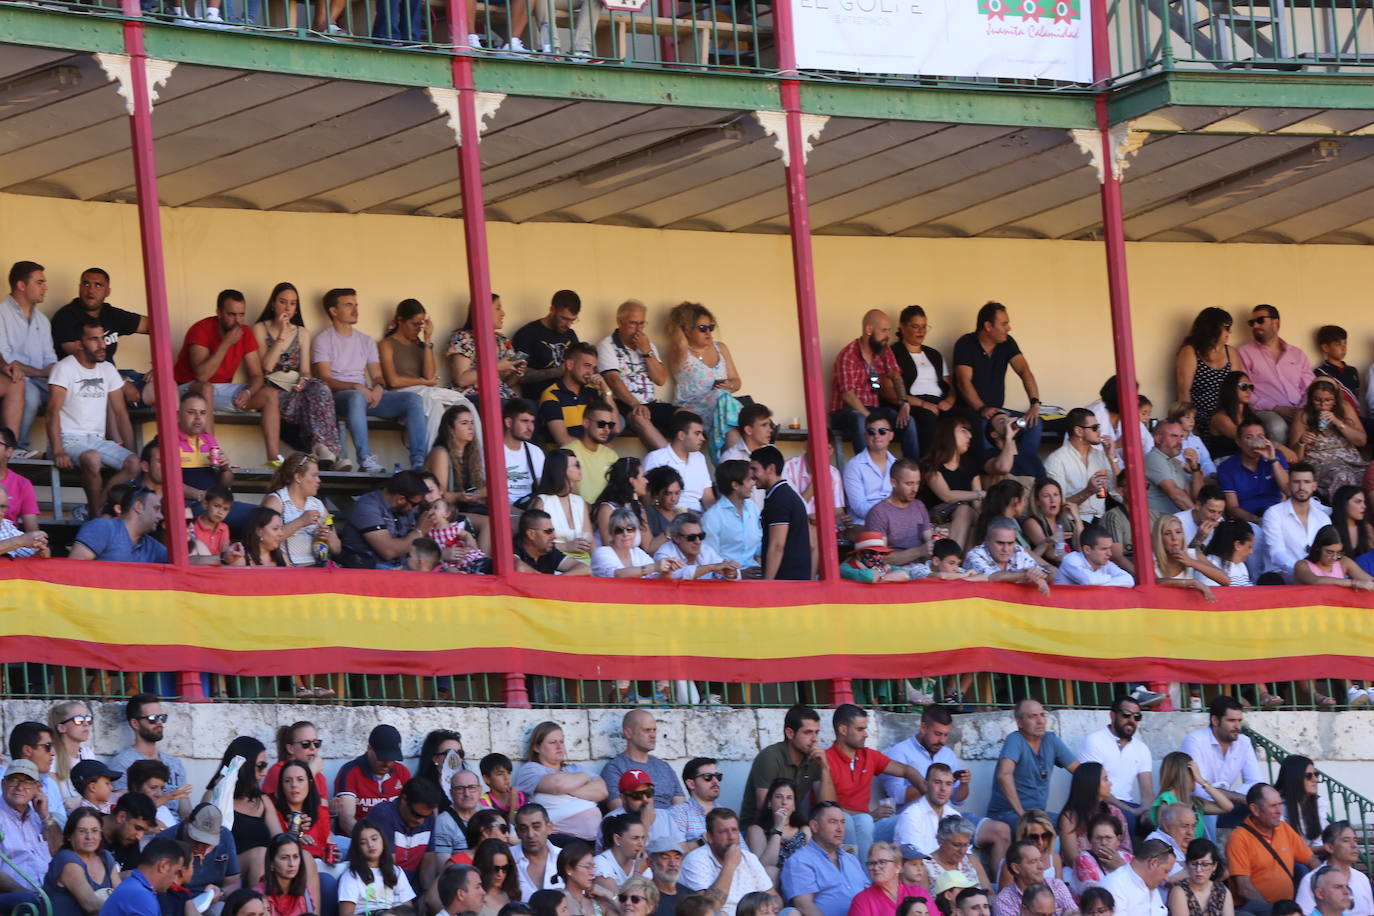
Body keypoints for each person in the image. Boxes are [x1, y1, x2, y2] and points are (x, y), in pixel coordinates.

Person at [312, 287, 426, 473]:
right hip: (338, 397)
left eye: (356, 305)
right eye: (349, 305)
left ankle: (418, 463)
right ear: (333, 311)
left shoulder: (366, 340)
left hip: (364, 395)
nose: (355, 309)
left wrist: (379, 387)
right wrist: (356, 386)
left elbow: (377, 375)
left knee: (413, 401)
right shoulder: (323, 339)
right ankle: (365, 459)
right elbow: (324, 378)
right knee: (356, 396)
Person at [173, 289, 283, 461]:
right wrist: (226, 343)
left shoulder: (245, 332)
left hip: (219, 391)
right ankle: (211, 453)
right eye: (231, 314)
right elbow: (201, 375)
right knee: (206, 387)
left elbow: (256, 375)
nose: (237, 321)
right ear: (219, 312)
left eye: (241, 315)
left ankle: (274, 459)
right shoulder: (201, 329)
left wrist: (248, 392)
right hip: (187, 389)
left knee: (270, 394)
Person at [46, 318, 140, 516]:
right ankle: (97, 516)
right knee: (93, 458)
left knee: (135, 463)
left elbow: (121, 413)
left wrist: (131, 451)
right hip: (69, 439)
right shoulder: (64, 368)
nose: (102, 345)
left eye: (103, 339)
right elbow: (52, 412)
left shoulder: (107, 369)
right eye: (94, 339)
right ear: (79, 344)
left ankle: (94, 508)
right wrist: (57, 450)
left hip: (97, 440)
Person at [251, 281, 343, 468]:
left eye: (293, 303)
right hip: (273, 387)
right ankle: (328, 453)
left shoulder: (302, 332)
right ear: (273, 304)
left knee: (321, 389)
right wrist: (282, 334)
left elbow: (306, 370)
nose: (288, 307)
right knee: (306, 402)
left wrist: (303, 380)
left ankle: (323, 447)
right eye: (283, 302)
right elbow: (266, 367)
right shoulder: (260, 328)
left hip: (296, 384)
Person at [819, 704, 925, 862]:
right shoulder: (825, 759)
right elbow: (828, 807)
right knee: (851, 820)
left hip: (868, 826)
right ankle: (863, 879)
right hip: (843, 826)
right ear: (843, 730)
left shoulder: (869, 756)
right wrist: (870, 815)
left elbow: (907, 770)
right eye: (860, 729)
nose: (866, 734)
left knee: (909, 820)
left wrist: (928, 791)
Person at [952, 302, 1045, 478]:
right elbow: (964, 382)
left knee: (1035, 423)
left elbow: (1025, 371)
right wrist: (982, 408)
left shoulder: (1007, 343)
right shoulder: (966, 343)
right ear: (988, 326)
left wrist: (1034, 403)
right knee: (982, 426)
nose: (1009, 328)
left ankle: (1023, 469)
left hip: (998, 412)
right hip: (973, 411)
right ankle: (995, 474)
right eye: (1004, 324)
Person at [380, 298, 477, 456]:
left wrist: (427, 340)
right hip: (403, 394)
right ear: (400, 321)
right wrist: (424, 382)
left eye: (421, 324)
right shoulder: (387, 344)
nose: (418, 329)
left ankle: (476, 458)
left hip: (424, 391)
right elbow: (393, 381)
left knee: (464, 403)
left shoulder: (421, 345)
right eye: (415, 324)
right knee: (435, 405)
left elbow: (429, 376)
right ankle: (435, 457)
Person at [50, 267, 148, 408]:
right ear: (79, 287)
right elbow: (86, 359)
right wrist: (121, 382)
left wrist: (159, 365)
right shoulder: (66, 316)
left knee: (162, 386)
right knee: (112, 398)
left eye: (98, 285)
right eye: (86, 284)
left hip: (114, 375)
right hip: (82, 381)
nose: (90, 290)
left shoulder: (111, 314)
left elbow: (154, 325)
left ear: (107, 291)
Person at [831, 310, 919, 459]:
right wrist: (871, 419)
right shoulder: (849, 354)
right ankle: (868, 470)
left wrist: (904, 403)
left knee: (908, 420)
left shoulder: (884, 350)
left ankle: (912, 474)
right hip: (845, 411)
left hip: (872, 410)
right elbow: (848, 395)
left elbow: (896, 376)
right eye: (884, 330)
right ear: (869, 330)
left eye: (889, 331)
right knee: (860, 419)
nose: (888, 336)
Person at [667, 302, 743, 462]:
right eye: (702, 328)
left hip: (721, 409)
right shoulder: (679, 352)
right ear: (686, 330)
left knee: (723, 404)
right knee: (724, 403)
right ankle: (750, 426)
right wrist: (677, 323)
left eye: (711, 327)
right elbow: (680, 342)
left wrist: (730, 385)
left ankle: (730, 464)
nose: (708, 333)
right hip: (692, 409)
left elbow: (737, 382)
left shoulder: (720, 348)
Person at [985, 699, 1077, 829]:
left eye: (1042, 715)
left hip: (1038, 815)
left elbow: (1080, 771)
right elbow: (1004, 775)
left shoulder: (1050, 739)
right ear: (1019, 722)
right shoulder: (1015, 739)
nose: (1040, 721)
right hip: (1006, 814)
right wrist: (1022, 815)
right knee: (1036, 828)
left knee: (1070, 823)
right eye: (1032, 716)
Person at [1226, 784, 1316, 914]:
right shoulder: (1239, 838)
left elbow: (1312, 861)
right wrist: (1273, 912)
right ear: (1255, 810)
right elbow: (1244, 888)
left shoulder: (1284, 829)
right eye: (1273, 806)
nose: (1280, 811)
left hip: (1287, 909)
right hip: (1256, 910)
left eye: (1280, 804)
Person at [597, 299, 671, 451]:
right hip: (625, 405)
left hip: (650, 403)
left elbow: (661, 379)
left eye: (642, 324)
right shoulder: (606, 345)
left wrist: (646, 352)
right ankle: (670, 462)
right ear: (620, 322)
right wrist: (635, 404)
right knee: (639, 417)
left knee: (686, 416)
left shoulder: (647, 345)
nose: (638, 329)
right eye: (633, 323)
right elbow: (613, 381)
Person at [1180, 697, 1264, 831]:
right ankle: (1211, 851)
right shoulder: (1195, 740)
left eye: (1239, 721)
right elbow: (1199, 790)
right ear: (1215, 720)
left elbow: (1257, 783)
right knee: (1206, 808)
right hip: (1199, 806)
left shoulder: (1244, 742)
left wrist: (1236, 797)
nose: (1237, 726)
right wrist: (1241, 798)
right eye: (1231, 721)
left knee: (1264, 805)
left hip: (1228, 805)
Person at [514, 723, 607, 842]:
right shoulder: (530, 770)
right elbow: (557, 785)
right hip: (560, 838)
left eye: (561, 741)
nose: (559, 747)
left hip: (594, 839)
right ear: (536, 747)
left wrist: (567, 789)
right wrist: (584, 778)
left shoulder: (574, 768)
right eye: (552, 742)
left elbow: (602, 791)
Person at [0, 261, 56, 454]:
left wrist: (53, 371)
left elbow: (50, 358)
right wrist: (40, 371)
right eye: (39, 282)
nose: (45, 287)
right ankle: (17, 449)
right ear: (21, 286)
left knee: (70, 394)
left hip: (40, 380)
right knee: (29, 394)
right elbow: (6, 361)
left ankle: (59, 451)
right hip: (14, 380)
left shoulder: (42, 320)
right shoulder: (1, 313)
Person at [1237, 305, 1313, 446]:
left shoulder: (1297, 354)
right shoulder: (1244, 353)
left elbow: (1309, 387)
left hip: (1299, 410)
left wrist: (1301, 411)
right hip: (1265, 411)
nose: (1255, 325)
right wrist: (1275, 408)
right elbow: (1242, 389)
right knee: (1277, 427)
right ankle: (1279, 465)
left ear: (1276, 322)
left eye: (1260, 320)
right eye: (1251, 323)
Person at [1077, 697, 1155, 835]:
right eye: (1126, 715)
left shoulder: (1142, 748)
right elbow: (1094, 787)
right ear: (1112, 715)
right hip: (1099, 804)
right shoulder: (1095, 740)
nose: (1131, 720)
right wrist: (1130, 811)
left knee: (1160, 821)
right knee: (1127, 818)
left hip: (1128, 805)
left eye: (1137, 717)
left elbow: (1147, 792)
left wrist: (1147, 811)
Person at [109, 695, 192, 822]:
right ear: (135, 723)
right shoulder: (122, 763)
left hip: (176, 831)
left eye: (162, 717)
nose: (159, 723)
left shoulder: (174, 763)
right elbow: (127, 809)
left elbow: (185, 810)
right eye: (153, 718)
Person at [888, 305, 955, 461]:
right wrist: (924, 404)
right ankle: (928, 469)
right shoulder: (893, 353)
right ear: (902, 327)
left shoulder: (934, 354)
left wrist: (949, 401)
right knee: (927, 417)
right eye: (915, 326)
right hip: (913, 402)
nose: (921, 331)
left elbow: (950, 386)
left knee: (967, 416)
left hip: (939, 402)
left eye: (924, 327)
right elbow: (890, 392)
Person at [779, 802, 868, 916]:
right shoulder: (800, 861)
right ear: (814, 826)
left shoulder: (851, 859)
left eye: (842, 822)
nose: (840, 829)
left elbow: (869, 895)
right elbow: (804, 906)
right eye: (833, 822)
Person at [741, 705, 824, 826]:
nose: (814, 739)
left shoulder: (814, 758)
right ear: (790, 733)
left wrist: (825, 768)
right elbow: (766, 810)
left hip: (791, 827)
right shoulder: (769, 757)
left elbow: (826, 807)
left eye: (816, 732)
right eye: (808, 732)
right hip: (758, 829)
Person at [337, 469, 434, 569]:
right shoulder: (367, 506)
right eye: (415, 504)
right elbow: (388, 551)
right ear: (401, 499)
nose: (416, 509)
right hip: (367, 573)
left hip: (398, 570)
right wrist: (419, 532)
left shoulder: (404, 508)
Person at [919, 415, 987, 550]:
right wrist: (981, 494)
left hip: (964, 517)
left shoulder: (970, 464)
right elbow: (947, 496)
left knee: (969, 517)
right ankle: (954, 562)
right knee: (966, 520)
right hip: (938, 520)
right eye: (964, 430)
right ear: (948, 434)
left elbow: (977, 506)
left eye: (970, 431)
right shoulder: (930, 464)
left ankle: (952, 562)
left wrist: (983, 521)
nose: (970, 436)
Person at [262, 453, 340, 568]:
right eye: (314, 476)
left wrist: (328, 536)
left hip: (317, 569)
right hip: (286, 570)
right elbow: (263, 540)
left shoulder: (318, 504)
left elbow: (337, 549)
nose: (319, 480)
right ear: (298, 477)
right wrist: (300, 522)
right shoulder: (276, 501)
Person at [1288, 379, 1366, 494]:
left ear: (1335, 400)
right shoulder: (1304, 415)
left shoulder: (1344, 407)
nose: (1322, 404)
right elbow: (1294, 459)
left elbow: (1361, 441)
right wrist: (1301, 442)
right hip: (1322, 464)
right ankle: (1345, 511)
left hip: (1351, 461)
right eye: (1317, 400)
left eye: (1328, 400)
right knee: (1342, 476)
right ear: (1311, 399)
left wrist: (1338, 422)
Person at [156, 802, 241, 907]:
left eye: (207, 843)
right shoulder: (164, 841)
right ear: (186, 823)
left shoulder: (225, 837)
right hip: (173, 901)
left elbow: (234, 882)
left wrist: (220, 893)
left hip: (212, 901)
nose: (201, 847)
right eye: (196, 839)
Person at [601, 709, 686, 814]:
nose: (653, 735)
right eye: (647, 730)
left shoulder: (664, 767)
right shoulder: (615, 769)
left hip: (672, 825)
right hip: (639, 827)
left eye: (654, 730)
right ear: (628, 733)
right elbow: (619, 814)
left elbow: (681, 808)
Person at [334, 724, 412, 836]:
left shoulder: (402, 772)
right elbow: (347, 821)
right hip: (358, 841)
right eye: (382, 757)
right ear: (369, 749)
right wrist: (372, 842)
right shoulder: (350, 772)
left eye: (392, 758)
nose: (387, 764)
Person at [1057, 763, 1132, 879]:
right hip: (1083, 874)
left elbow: (1126, 849)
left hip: (1116, 871)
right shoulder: (1069, 818)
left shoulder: (1115, 812)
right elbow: (1071, 858)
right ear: (1091, 784)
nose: (1110, 783)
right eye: (1105, 779)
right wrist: (1100, 866)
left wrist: (1117, 864)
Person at [1259, 462, 1331, 582]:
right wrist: (1304, 573)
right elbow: (1276, 554)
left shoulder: (1323, 518)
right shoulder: (1273, 514)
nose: (1302, 487)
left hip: (1315, 581)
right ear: (1289, 485)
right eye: (1296, 482)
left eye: (1307, 482)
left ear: (1314, 486)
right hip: (1282, 582)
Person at [0, 759, 57, 911]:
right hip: (14, 896)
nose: (19, 787)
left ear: (37, 789)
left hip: (47, 893)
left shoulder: (38, 817)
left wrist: (46, 816)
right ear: (3, 783)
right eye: (14, 780)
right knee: (29, 902)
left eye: (27, 782)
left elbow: (59, 853)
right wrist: (28, 893)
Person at [1045, 407, 1119, 524]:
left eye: (1098, 427)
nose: (1099, 432)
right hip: (1072, 521)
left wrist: (1112, 458)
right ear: (1078, 431)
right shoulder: (1057, 460)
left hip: (1100, 520)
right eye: (1095, 428)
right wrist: (1088, 491)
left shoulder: (1101, 456)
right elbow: (1056, 504)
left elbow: (1119, 493)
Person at [366, 776, 442, 889]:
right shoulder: (383, 816)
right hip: (382, 889)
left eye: (425, 816)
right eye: (416, 814)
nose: (421, 821)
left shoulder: (428, 818)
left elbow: (428, 860)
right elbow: (387, 867)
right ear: (404, 800)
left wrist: (427, 896)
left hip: (410, 888)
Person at [448, 292, 524, 401]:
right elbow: (461, 380)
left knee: (529, 408)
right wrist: (496, 367)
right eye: (498, 309)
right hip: (473, 396)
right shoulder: (464, 338)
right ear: (483, 311)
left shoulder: (502, 340)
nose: (503, 313)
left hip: (501, 395)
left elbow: (506, 382)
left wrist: (516, 372)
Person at [1176, 308, 1237, 443]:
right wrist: (1190, 424)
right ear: (1212, 328)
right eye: (1226, 327)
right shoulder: (1190, 351)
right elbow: (1183, 392)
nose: (1230, 331)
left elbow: (1237, 386)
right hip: (1200, 415)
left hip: (1227, 412)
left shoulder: (1230, 352)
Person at [539, 342, 616, 447]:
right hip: (569, 459)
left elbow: (616, 428)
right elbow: (564, 441)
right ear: (570, 365)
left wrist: (606, 391)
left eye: (594, 368)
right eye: (587, 366)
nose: (591, 372)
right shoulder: (552, 395)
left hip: (595, 457)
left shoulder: (593, 392)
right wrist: (595, 449)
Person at [862, 458, 935, 569]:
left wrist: (937, 539)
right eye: (909, 484)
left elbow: (927, 537)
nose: (915, 489)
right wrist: (919, 551)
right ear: (893, 483)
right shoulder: (878, 513)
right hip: (896, 572)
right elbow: (879, 558)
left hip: (922, 568)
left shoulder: (919, 506)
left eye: (917, 483)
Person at [752, 445, 811, 580]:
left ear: (771, 469)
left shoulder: (779, 499)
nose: (751, 475)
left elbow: (777, 546)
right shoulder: (783, 495)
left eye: (755, 469)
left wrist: (767, 584)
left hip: (786, 583)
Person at [513, 290, 582, 402]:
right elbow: (518, 374)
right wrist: (555, 372)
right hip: (539, 399)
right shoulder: (527, 334)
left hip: (570, 397)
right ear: (552, 309)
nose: (568, 325)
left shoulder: (571, 335)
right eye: (564, 318)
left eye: (572, 320)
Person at [338, 819, 416, 916]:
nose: (370, 845)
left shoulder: (396, 871)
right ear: (357, 848)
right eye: (363, 842)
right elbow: (346, 914)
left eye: (374, 839)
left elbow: (407, 909)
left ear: (382, 840)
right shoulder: (351, 875)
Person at [67, 486, 166, 562]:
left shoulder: (152, 546)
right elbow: (74, 569)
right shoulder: (102, 527)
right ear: (139, 507)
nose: (161, 516)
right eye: (156, 509)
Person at [1294, 822, 1372, 916]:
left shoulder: (1362, 878)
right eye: (1346, 840)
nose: (1354, 845)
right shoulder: (1310, 880)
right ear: (1330, 847)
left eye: (1355, 840)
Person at [644, 412, 715, 513]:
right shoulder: (656, 458)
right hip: (668, 519)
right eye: (697, 433)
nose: (702, 438)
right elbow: (647, 499)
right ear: (681, 435)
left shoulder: (700, 458)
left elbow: (708, 498)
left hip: (698, 517)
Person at [99, 837, 189, 916]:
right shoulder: (141, 897)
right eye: (176, 872)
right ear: (164, 866)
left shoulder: (133, 886)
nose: (175, 880)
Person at [701, 459, 761, 572]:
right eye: (749, 480)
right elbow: (710, 561)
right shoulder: (712, 517)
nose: (753, 483)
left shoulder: (753, 508)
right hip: (726, 581)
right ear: (735, 485)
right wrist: (739, 574)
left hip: (754, 575)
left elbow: (759, 546)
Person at [964, 518, 1051, 596]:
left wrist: (1039, 577)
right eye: (1000, 543)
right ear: (987, 540)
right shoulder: (974, 555)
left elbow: (1046, 574)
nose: (1006, 549)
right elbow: (992, 578)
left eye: (1010, 543)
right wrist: (1027, 575)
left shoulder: (1018, 551)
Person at [1149, 758, 1229, 842]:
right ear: (1183, 775)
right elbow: (1164, 836)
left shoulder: (1195, 802)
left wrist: (1202, 781)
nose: (1196, 779)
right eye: (1194, 774)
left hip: (1193, 852)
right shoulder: (1165, 800)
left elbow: (1227, 807)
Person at [745, 778, 809, 883]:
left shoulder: (804, 830)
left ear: (794, 806)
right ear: (770, 802)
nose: (784, 802)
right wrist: (778, 828)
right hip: (774, 885)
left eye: (789, 798)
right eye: (779, 797)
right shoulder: (757, 830)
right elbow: (763, 868)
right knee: (771, 871)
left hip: (801, 882)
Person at [845, 410, 900, 528]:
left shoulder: (898, 465)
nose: (877, 436)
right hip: (864, 526)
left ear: (891, 435)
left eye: (882, 431)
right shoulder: (854, 466)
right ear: (865, 436)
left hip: (896, 524)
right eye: (871, 432)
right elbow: (860, 508)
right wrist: (892, 511)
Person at [592, 505, 681, 577]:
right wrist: (654, 567)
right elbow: (617, 574)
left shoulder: (638, 553)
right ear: (611, 533)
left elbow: (656, 579)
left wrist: (667, 571)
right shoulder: (602, 552)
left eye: (630, 529)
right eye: (619, 530)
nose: (625, 534)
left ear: (636, 531)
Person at [592, 457, 660, 552]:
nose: (646, 481)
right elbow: (610, 548)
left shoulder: (638, 507)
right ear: (632, 481)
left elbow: (649, 547)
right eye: (643, 476)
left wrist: (670, 531)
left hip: (633, 562)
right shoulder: (607, 509)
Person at [1152, 515, 1225, 600]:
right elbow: (1155, 582)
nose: (1174, 538)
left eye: (1178, 532)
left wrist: (1191, 562)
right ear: (1159, 538)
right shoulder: (1151, 560)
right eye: (1167, 533)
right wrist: (1192, 582)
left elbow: (1225, 580)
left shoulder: (1191, 554)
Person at [849, 841, 931, 916]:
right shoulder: (862, 900)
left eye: (882, 862)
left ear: (898, 867)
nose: (876, 868)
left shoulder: (918, 893)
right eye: (872, 863)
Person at [993, 842, 1074, 916]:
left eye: (1040, 860)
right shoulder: (1005, 901)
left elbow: (1075, 913)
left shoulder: (1056, 885)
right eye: (1033, 862)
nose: (1041, 867)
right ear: (1016, 868)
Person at [1100, 839, 1174, 916]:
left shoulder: (1151, 884)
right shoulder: (1114, 884)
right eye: (1166, 871)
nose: (1166, 878)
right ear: (1153, 863)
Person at [655, 511, 738, 580]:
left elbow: (721, 570)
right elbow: (676, 575)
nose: (698, 541)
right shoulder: (664, 553)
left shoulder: (706, 550)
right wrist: (711, 568)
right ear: (676, 538)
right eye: (692, 537)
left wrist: (730, 573)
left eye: (701, 536)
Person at [1293, 525, 1374, 595]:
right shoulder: (1302, 565)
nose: (1335, 557)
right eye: (1329, 552)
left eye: (1339, 552)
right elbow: (1315, 580)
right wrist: (1354, 583)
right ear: (1318, 548)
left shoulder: (1343, 562)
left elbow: (1368, 579)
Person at [1147, 419, 1204, 515]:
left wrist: (1195, 467)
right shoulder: (1153, 458)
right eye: (1174, 436)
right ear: (1158, 439)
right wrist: (1199, 518)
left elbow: (1198, 497)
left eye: (1181, 437)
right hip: (1160, 525)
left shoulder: (1174, 463)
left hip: (1177, 523)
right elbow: (1176, 495)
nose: (1179, 442)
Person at [566, 402, 619, 504]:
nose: (606, 429)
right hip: (579, 513)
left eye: (610, 425)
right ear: (586, 422)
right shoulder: (568, 453)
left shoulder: (612, 456)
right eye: (601, 424)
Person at [1021, 479, 1080, 570]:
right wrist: (1081, 562)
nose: (1052, 500)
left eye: (1056, 495)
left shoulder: (1067, 523)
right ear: (1037, 501)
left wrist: (1077, 519)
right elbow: (1051, 554)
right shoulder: (1032, 522)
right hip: (1051, 571)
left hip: (1072, 568)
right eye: (1046, 496)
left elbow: (1080, 548)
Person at [921, 817, 992, 893]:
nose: (962, 851)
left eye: (965, 845)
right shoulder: (925, 865)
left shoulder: (971, 861)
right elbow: (924, 901)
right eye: (956, 845)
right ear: (940, 840)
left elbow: (990, 893)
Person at [515, 508, 591, 575]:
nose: (554, 536)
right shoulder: (513, 547)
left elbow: (585, 569)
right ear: (531, 534)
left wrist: (557, 581)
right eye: (548, 531)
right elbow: (519, 567)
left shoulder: (547, 551)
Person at [1165, 839, 1230, 916]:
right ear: (1187, 864)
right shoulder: (1179, 891)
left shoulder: (1222, 891)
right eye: (1194, 864)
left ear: (1214, 866)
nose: (1198, 870)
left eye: (1205, 865)